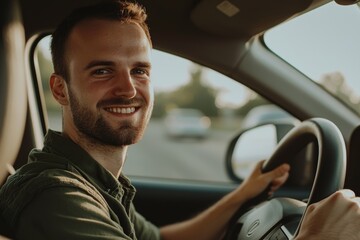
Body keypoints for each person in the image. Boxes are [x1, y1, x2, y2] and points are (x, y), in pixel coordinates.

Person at [0, 1, 359, 239]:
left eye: (139, 70)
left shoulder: (96, 183)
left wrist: (241, 196)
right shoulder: (57, 196)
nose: (128, 88)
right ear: (60, 89)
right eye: (102, 71)